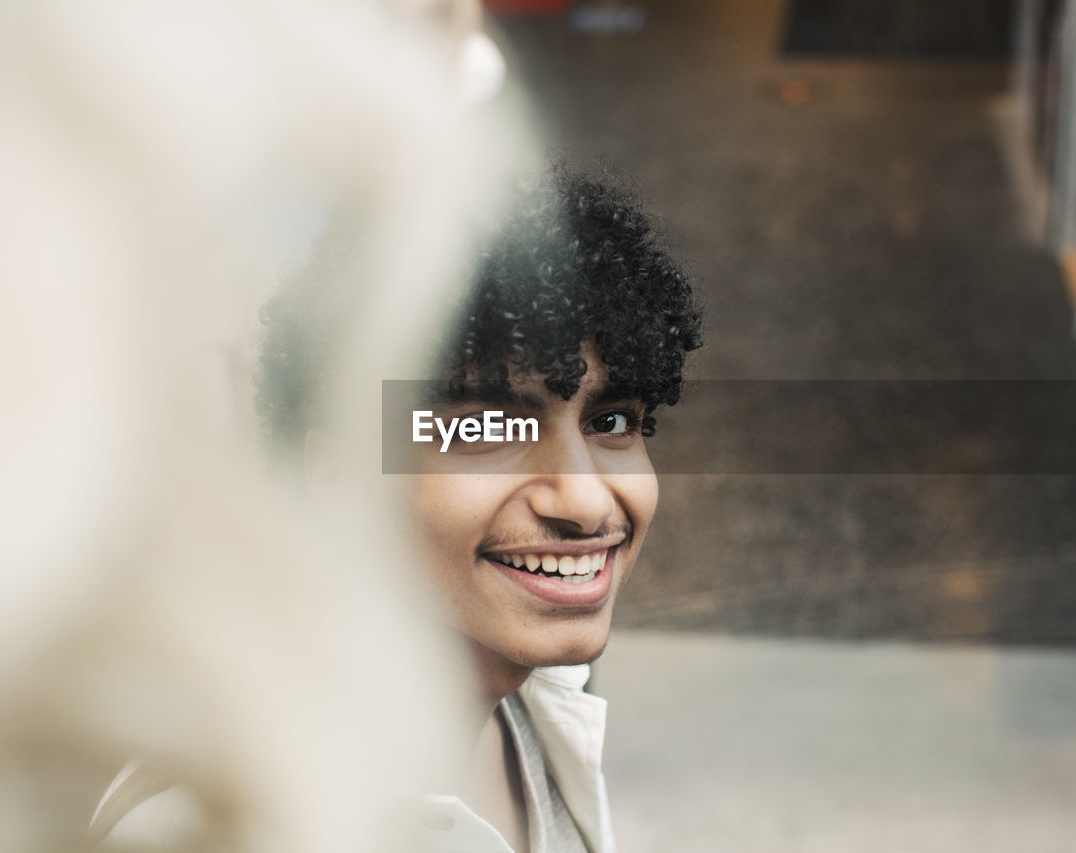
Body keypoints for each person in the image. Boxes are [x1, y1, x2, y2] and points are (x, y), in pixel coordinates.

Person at [93, 163, 702, 852]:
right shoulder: (230, 820)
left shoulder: (533, 696)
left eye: (613, 422)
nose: (586, 499)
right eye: (490, 427)